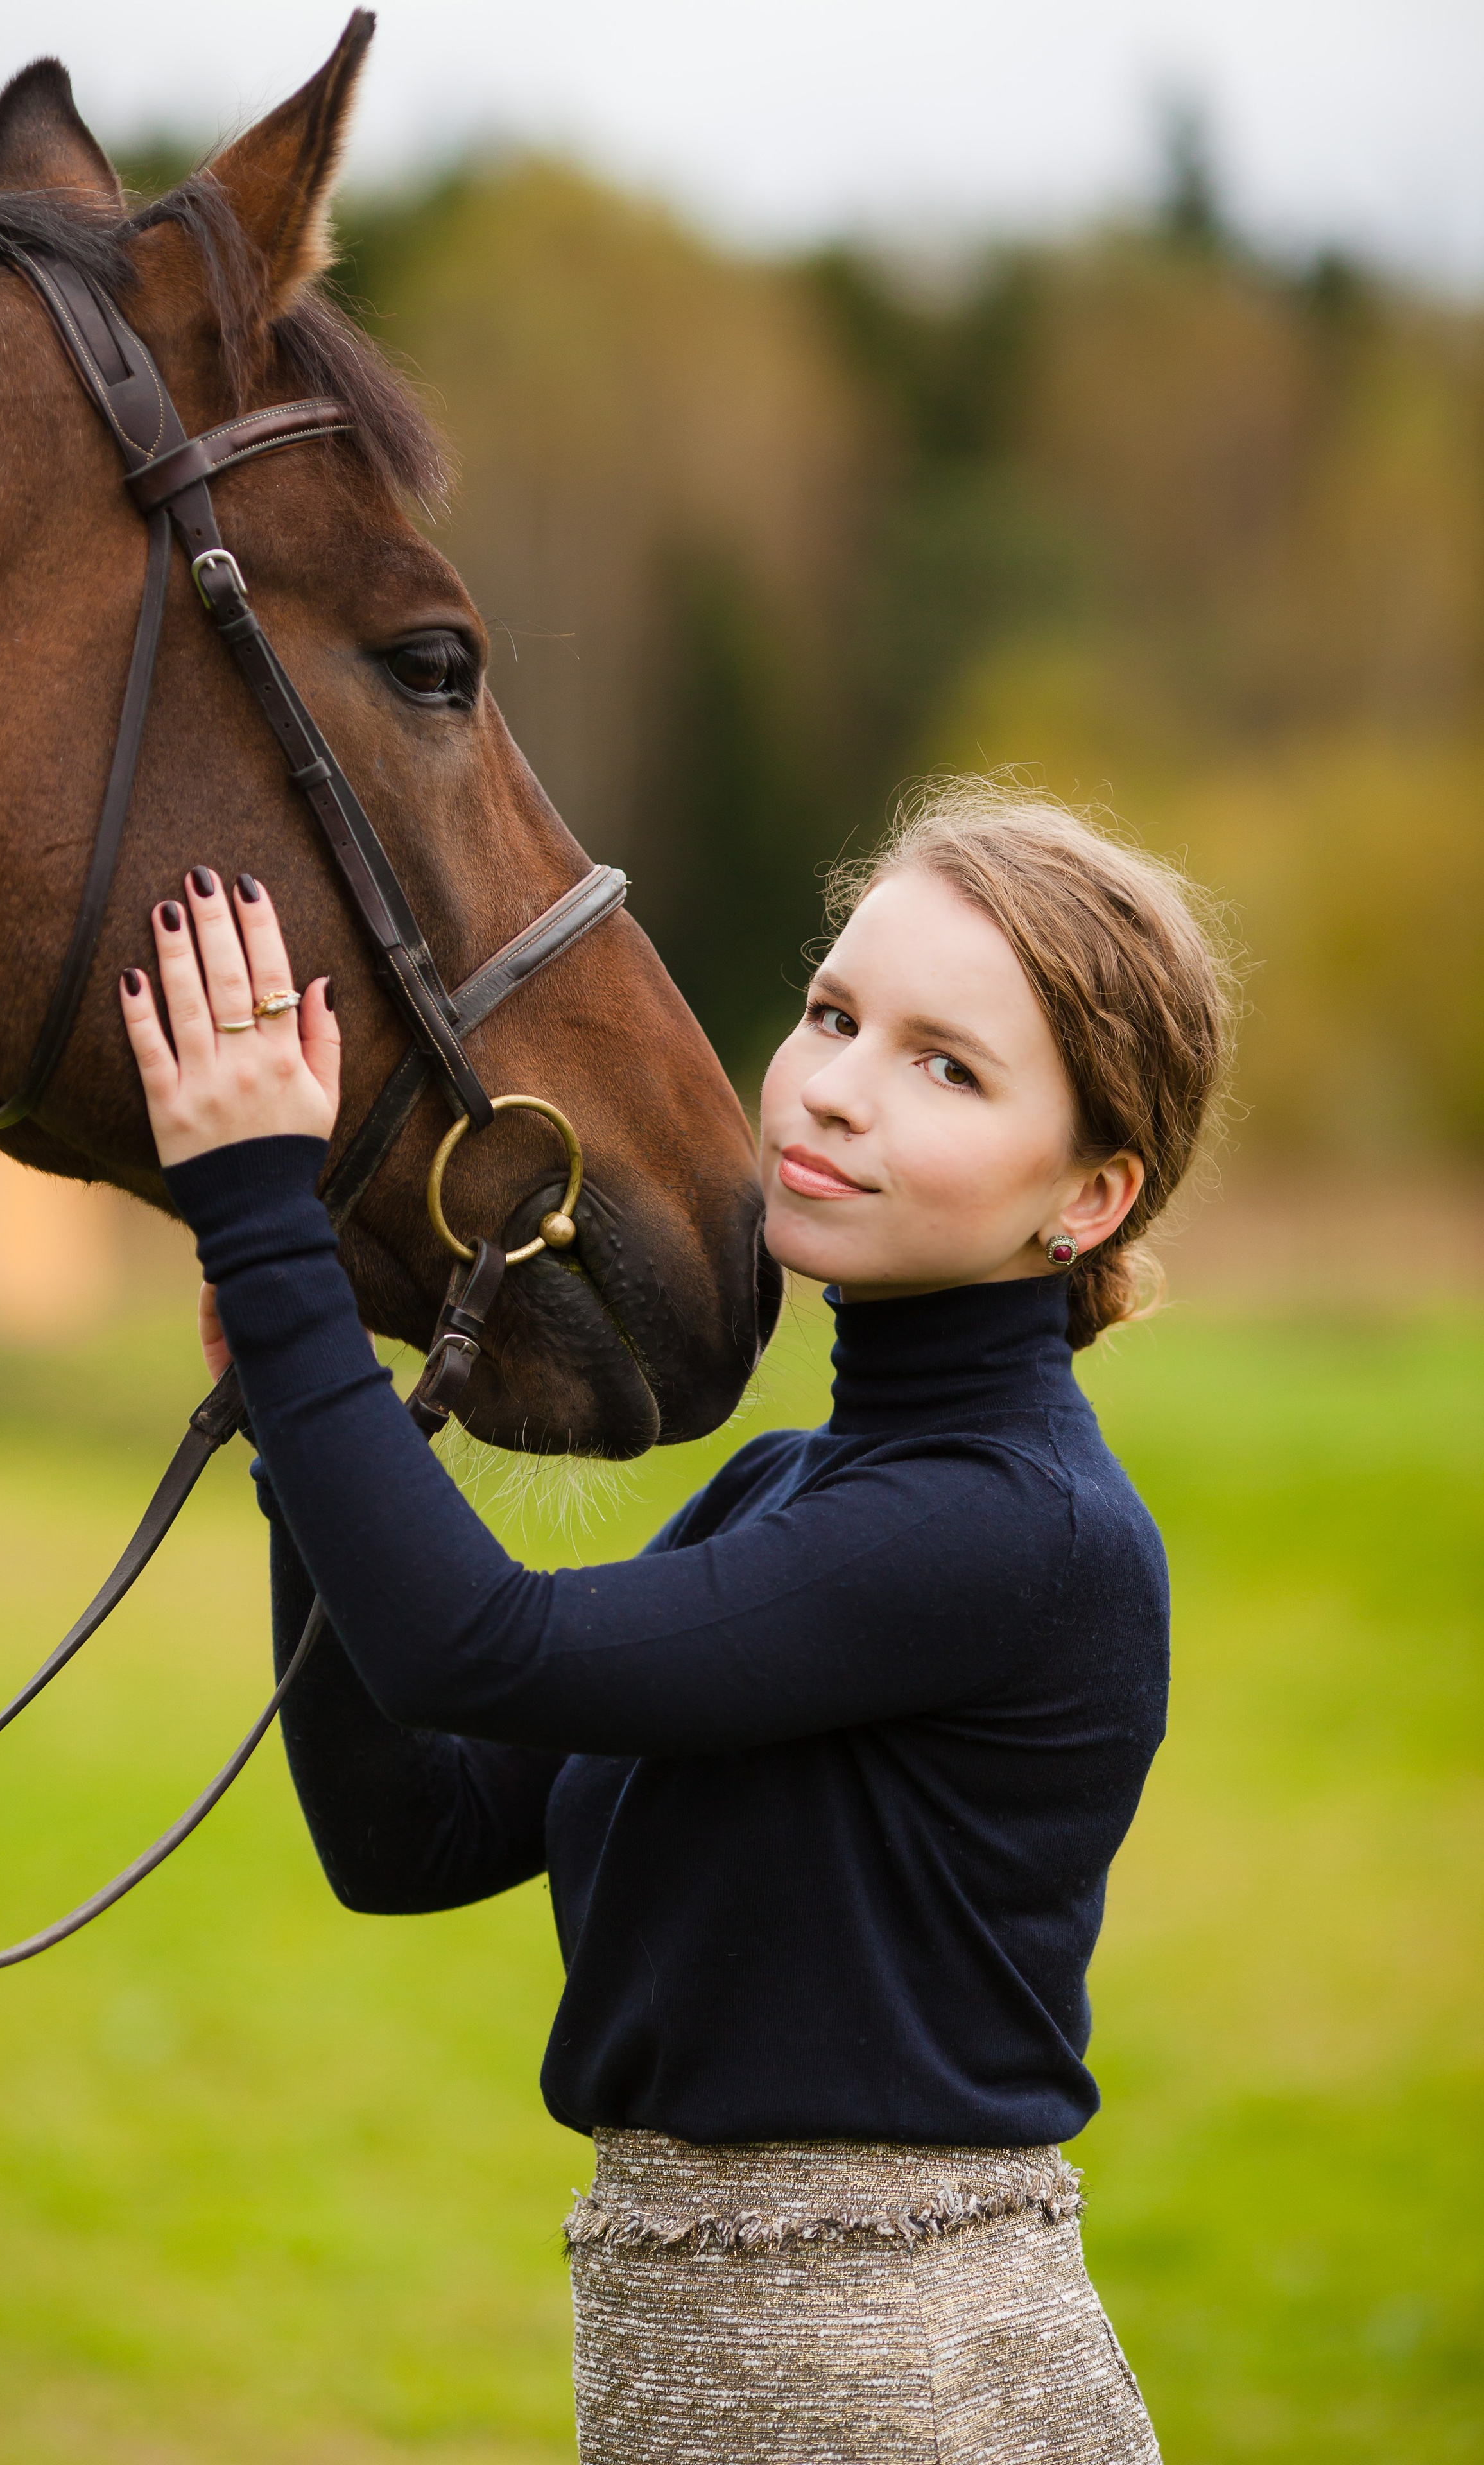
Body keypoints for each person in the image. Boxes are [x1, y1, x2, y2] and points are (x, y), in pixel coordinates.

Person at [119, 776, 1232, 2462]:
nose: (839, 1092)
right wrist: (298, 1430)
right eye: (835, 1014)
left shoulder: (1014, 1534)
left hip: (909, 2405)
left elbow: (480, 1647)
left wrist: (270, 1225)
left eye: (946, 1064)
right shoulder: (793, 1495)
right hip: (699, 2385)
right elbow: (408, 1832)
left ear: (1085, 1198)